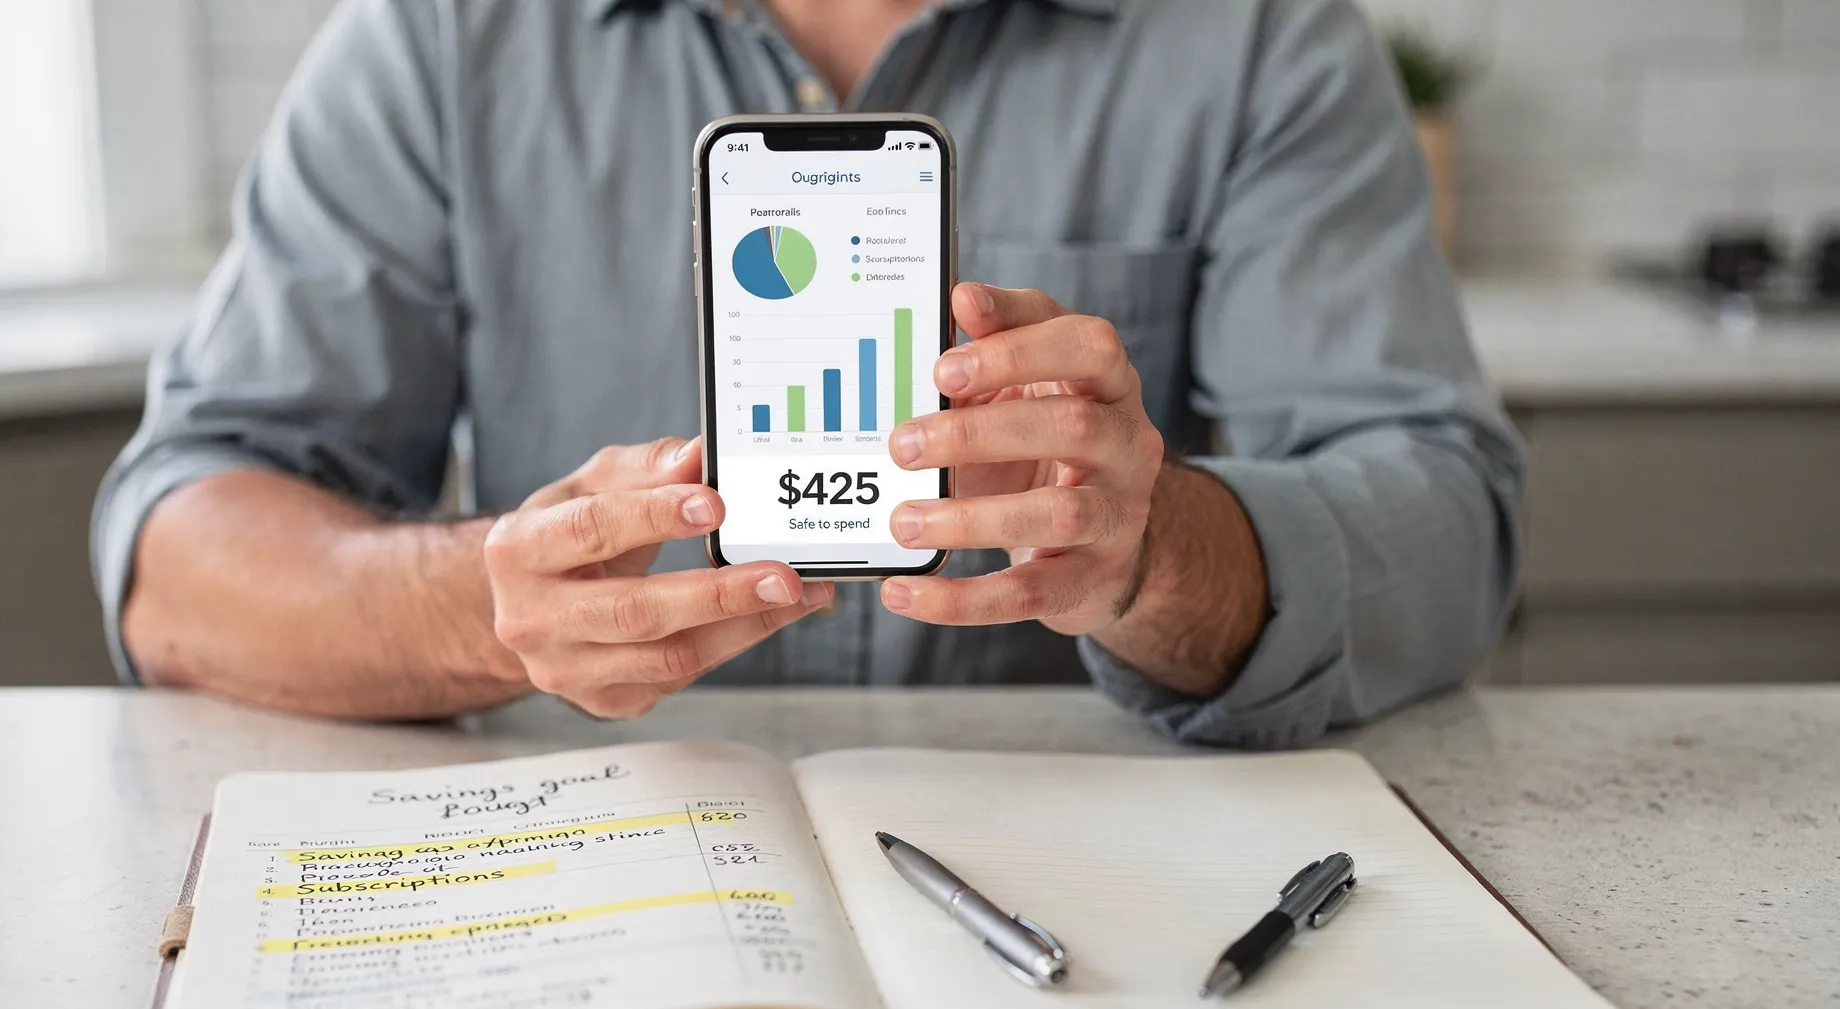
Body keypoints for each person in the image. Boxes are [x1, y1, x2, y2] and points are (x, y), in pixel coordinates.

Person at [92, 0, 1523, 750]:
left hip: (1079, 891)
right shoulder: (445, 30)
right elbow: (183, 557)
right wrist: (487, 606)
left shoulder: (1257, 31)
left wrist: (1153, 550)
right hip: (597, 873)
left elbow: (1452, 523)